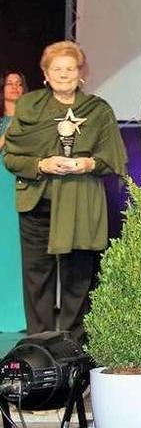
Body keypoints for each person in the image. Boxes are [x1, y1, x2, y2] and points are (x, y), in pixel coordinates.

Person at [3, 42, 127, 341]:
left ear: (80, 73)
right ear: (45, 74)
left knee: (78, 281)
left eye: (70, 68)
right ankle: (40, 348)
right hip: (37, 205)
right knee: (37, 282)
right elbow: (11, 157)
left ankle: (74, 348)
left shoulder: (97, 110)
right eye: (56, 69)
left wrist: (87, 164)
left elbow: (113, 158)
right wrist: (41, 164)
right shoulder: (29, 106)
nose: (63, 74)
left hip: (80, 204)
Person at [0, 70, 28, 332]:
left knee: (19, 249)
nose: (15, 87)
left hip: (23, 187)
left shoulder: (31, 121)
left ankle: (20, 314)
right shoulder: (4, 123)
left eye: (19, 84)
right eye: (9, 83)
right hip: (1, 187)